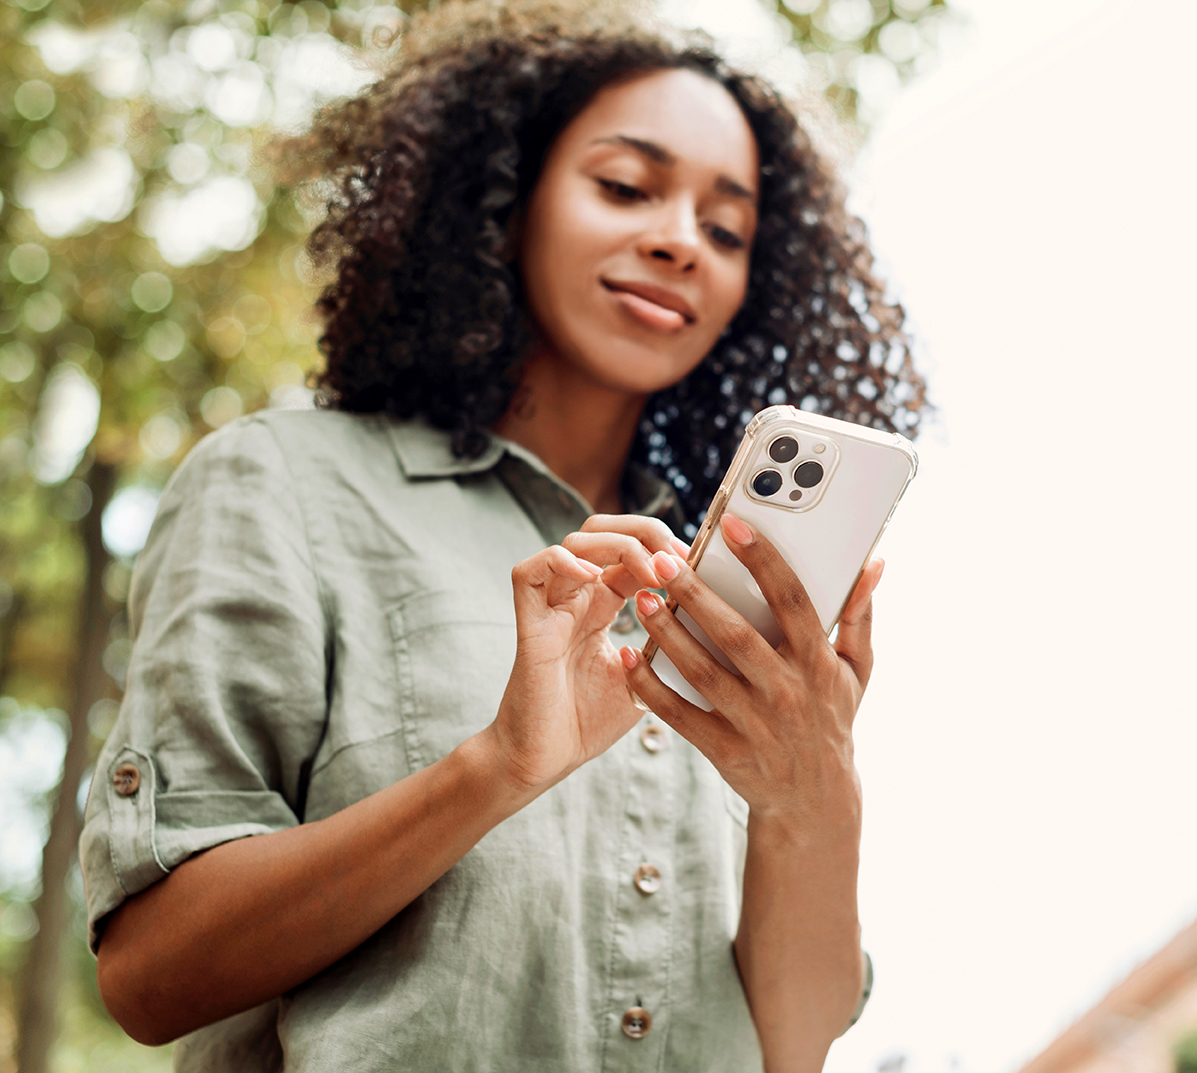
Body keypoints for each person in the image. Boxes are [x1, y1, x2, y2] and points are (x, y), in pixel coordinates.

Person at [79, 3, 927, 1070]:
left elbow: (794, 1044)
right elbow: (152, 973)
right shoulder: (287, 483)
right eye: (625, 186)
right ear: (505, 202)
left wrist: (815, 793)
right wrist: (496, 768)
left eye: (726, 230)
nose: (680, 241)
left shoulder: (723, 596)